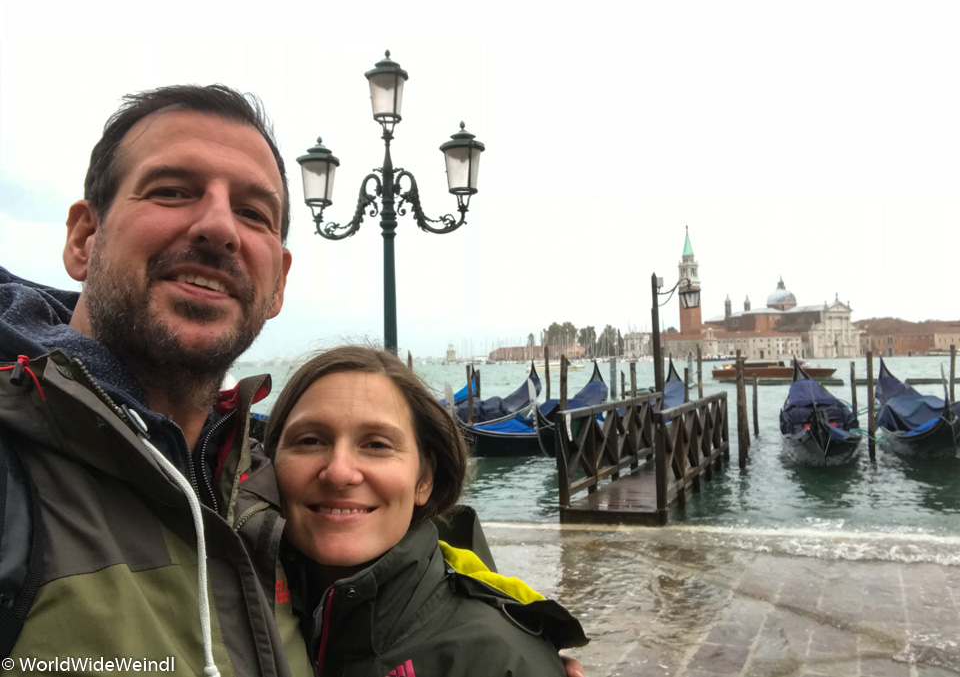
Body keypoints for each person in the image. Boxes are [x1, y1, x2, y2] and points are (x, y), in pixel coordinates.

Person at [0, 84, 587, 677]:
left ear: (278, 282)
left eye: (253, 213)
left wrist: (511, 641)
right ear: (83, 238)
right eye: (173, 191)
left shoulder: (255, 493)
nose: (218, 227)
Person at [264, 345, 588, 676]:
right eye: (309, 441)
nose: (339, 472)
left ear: (424, 479)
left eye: (376, 445)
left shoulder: (501, 661)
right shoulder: (229, 617)